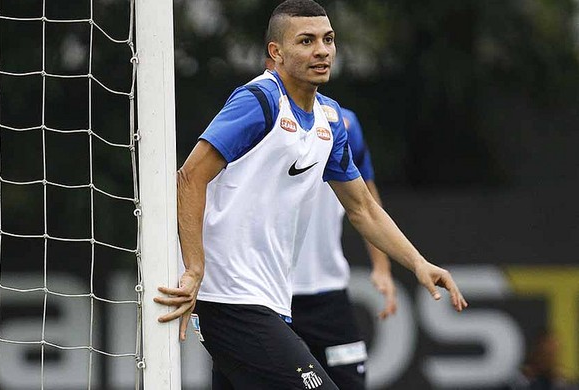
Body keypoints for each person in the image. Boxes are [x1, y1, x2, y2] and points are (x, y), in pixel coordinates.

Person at [154, 1, 467, 389]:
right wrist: (194, 268)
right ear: (276, 52)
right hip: (230, 300)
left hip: (270, 301)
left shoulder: (330, 119)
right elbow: (189, 178)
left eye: (328, 39)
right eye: (306, 41)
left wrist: (418, 263)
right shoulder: (260, 101)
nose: (322, 50)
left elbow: (363, 208)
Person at [290, 107, 397, 390]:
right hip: (270, 296)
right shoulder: (255, 111)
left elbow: (366, 200)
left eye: (326, 57)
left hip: (329, 294)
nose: (320, 59)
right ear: (274, 59)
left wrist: (382, 267)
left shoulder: (342, 121)